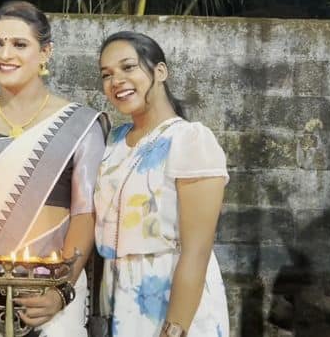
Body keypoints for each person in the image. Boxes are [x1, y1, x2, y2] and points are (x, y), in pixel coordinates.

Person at [0, 1, 106, 337]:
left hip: (53, 290)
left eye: (20, 44)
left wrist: (61, 289)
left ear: (45, 52)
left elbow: (84, 212)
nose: (6, 53)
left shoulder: (81, 125)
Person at [95, 31, 230, 337]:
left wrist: (176, 328)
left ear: (160, 71)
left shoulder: (190, 140)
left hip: (172, 295)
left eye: (128, 67)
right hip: (117, 295)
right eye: (107, 74)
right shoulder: (112, 142)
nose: (116, 80)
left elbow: (197, 250)